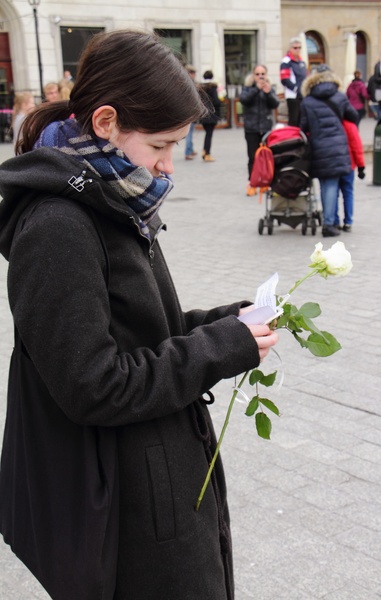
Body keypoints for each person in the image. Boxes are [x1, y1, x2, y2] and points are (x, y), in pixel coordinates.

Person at [0, 29, 278, 600]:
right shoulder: (59, 225)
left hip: (158, 479)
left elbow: (143, 329)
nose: (169, 165)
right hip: (129, 507)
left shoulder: (111, 193)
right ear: (105, 123)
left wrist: (231, 321)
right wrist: (222, 347)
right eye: (160, 145)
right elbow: (93, 385)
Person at [300, 64, 358, 238]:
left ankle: (329, 221)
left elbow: (303, 127)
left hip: (318, 145)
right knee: (333, 185)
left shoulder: (307, 101)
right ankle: (329, 224)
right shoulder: (340, 97)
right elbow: (354, 116)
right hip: (338, 145)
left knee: (327, 185)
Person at [239, 65, 280, 196]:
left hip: (266, 128)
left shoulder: (269, 88)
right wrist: (256, 89)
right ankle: (252, 183)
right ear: (253, 75)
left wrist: (268, 94)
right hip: (251, 128)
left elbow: (275, 104)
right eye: (257, 74)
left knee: (266, 157)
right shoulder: (248, 88)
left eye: (263, 73)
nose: (260, 76)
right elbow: (244, 100)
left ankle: (266, 183)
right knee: (253, 157)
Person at [335, 119, 365, 232]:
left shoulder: (331, 123)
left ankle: (335, 221)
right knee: (348, 193)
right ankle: (348, 222)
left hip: (332, 165)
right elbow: (356, 146)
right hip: (348, 164)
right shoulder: (349, 125)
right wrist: (361, 166)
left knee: (333, 194)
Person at [280, 37, 308, 126]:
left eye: (299, 47)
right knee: (294, 119)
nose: (298, 50)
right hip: (293, 95)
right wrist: (295, 88)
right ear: (290, 48)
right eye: (295, 48)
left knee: (302, 118)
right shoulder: (286, 61)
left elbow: (305, 76)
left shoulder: (301, 61)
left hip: (302, 94)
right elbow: (284, 79)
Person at [199, 70, 221, 161]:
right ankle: (207, 153)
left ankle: (205, 150)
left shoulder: (200, 88)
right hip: (211, 114)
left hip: (203, 114)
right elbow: (216, 101)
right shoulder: (212, 87)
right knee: (209, 134)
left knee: (207, 133)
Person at [184, 64, 198, 160]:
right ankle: (187, 152)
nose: (194, 74)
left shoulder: (191, 83)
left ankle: (191, 149)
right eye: (192, 72)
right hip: (189, 112)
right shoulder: (187, 83)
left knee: (191, 131)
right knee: (188, 133)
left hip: (192, 111)